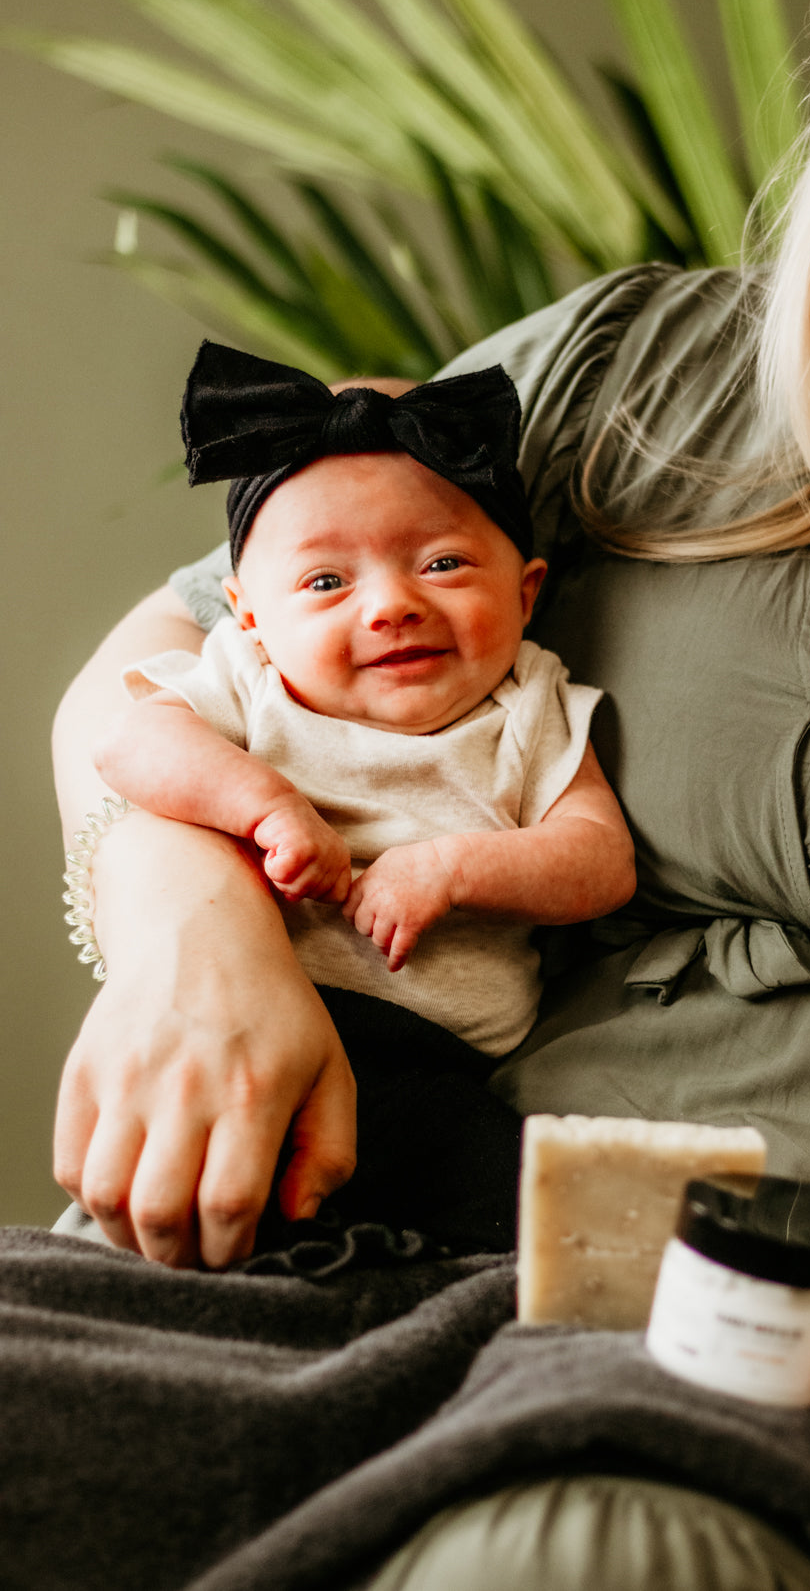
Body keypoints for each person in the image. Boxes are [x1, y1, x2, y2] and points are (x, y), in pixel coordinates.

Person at [37, 0, 810, 1587]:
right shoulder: (648, 372)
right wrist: (196, 934)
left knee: (566, 1555)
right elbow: (171, 660)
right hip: (384, 1241)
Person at [90, 346, 634, 1247]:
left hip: (443, 1064)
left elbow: (600, 857)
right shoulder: (250, 681)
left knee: (509, 1220)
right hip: (261, 1015)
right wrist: (264, 805)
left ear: (526, 591)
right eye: (327, 582)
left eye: (445, 564)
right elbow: (130, 741)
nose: (390, 605)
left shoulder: (529, 704)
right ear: (249, 615)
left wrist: (452, 869)